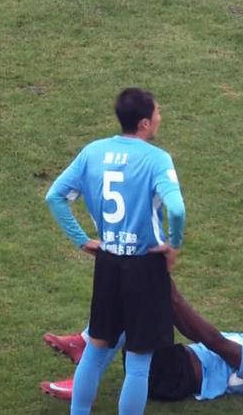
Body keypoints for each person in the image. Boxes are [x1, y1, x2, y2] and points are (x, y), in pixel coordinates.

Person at [45, 88, 186, 415]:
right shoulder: (157, 159)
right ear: (145, 123)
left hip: (108, 262)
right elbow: (177, 210)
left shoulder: (93, 152)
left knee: (96, 350)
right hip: (146, 266)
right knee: (138, 362)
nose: (160, 117)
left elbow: (55, 196)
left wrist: (82, 239)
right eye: (158, 112)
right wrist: (174, 244)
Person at [40, 279, 243, 402]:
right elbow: (193, 332)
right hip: (171, 365)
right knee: (137, 296)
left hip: (175, 377)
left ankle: (83, 356)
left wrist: (171, 295)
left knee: (143, 297)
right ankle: (83, 365)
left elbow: (213, 341)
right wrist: (168, 295)